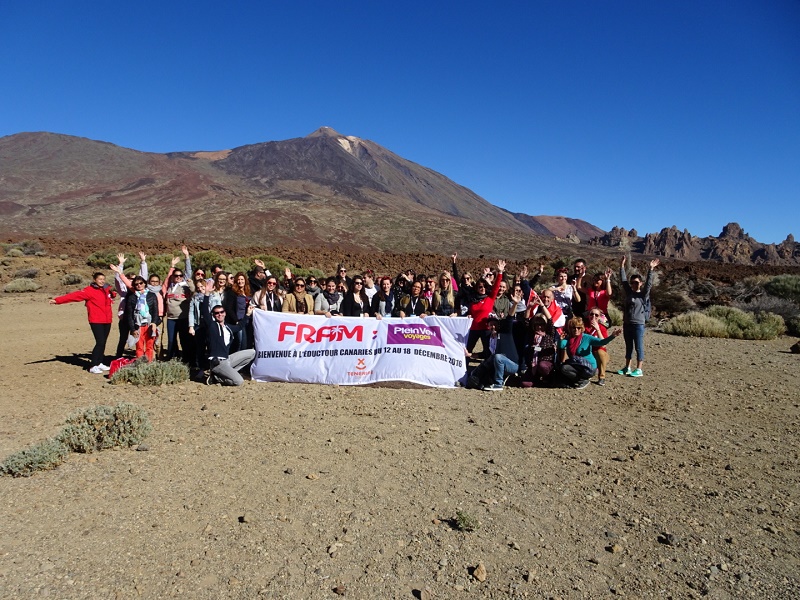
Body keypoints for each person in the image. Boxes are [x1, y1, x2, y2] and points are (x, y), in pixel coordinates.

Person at [49, 271, 117, 373]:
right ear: (95, 280)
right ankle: (93, 366)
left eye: (103, 279)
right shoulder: (89, 291)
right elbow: (74, 296)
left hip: (107, 320)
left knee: (103, 342)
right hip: (96, 320)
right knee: (100, 342)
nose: (102, 281)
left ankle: (99, 363)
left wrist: (112, 293)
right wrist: (57, 300)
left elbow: (113, 295)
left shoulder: (106, 289)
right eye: (100, 279)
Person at [617, 257, 659, 377]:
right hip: (627, 323)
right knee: (628, 346)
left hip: (638, 324)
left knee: (638, 346)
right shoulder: (629, 292)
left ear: (640, 283)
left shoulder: (643, 295)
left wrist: (651, 269)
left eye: (636, 282)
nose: (634, 284)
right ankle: (627, 367)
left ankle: (639, 369)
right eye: (633, 282)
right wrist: (621, 266)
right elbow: (623, 280)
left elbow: (649, 284)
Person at [201, 296, 255, 386]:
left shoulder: (228, 327)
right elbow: (205, 312)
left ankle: (223, 374)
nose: (219, 314)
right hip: (218, 363)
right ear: (214, 315)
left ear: (225, 313)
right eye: (217, 313)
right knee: (239, 381)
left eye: (221, 312)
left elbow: (239, 327)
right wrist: (206, 295)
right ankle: (217, 378)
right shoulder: (212, 326)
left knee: (252, 352)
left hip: (228, 359)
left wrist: (247, 314)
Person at [558, 317, 621, 389]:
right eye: (573, 328)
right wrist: (561, 340)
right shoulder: (569, 339)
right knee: (564, 368)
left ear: (582, 328)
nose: (576, 330)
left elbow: (601, 342)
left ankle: (582, 381)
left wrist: (612, 336)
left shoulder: (587, 338)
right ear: (570, 329)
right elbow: (561, 346)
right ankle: (579, 380)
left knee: (566, 369)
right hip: (577, 365)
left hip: (589, 367)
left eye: (578, 328)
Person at [467, 315, 521, 391]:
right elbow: (485, 354)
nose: (493, 327)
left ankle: (498, 384)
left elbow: (509, 319)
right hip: (496, 365)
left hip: (512, 365)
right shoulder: (488, 339)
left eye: (495, 324)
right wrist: (469, 355)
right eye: (491, 325)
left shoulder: (505, 334)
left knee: (497, 357)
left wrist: (515, 304)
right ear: (488, 327)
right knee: (485, 364)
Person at [466, 260, 505, 358]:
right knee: (467, 348)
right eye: (480, 287)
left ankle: (487, 369)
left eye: (484, 287)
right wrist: (469, 314)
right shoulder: (473, 300)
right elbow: (471, 312)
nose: (482, 288)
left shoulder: (490, 298)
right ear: (476, 288)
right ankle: (464, 368)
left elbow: (496, 287)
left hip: (486, 329)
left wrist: (500, 273)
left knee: (488, 351)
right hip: (473, 329)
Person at [162, 255, 193, 361]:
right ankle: (172, 358)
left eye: (180, 275)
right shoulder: (169, 287)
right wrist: (172, 266)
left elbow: (189, 273)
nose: (178, 277)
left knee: (184, 340)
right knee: (171, 340)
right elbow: (167, 279)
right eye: (176, 276)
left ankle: (186, 359)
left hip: (183, 318)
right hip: (171, 318)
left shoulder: (186, 286)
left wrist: (187, 257)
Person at [124, 276, 161, 362]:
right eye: (136, 284)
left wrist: (154, 323)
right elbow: (130, 315)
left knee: (150, 346)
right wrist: (133, 329)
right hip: (138, 325)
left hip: (149, 325)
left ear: (145, 284)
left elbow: (155, 311)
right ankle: (140, 364)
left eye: (141, 283)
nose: (139, 285)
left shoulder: (152, 296)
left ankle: (149, 364)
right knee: (139, 347)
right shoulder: (132, 298)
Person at [520, 316, 557, 388]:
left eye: (542, 325)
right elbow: (526, 321)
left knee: (542, 366)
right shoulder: (532, 335)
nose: (539, 327)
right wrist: (529, 307)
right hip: (534, 365)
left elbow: (550, 321)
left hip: (545, 363)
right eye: (537, 325)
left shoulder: (549, 335)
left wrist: (542, 306)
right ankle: (537, 380)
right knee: (525, 383)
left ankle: (548, 378)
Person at [584, 308, 611, 385]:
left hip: (598, 353)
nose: (593, 316)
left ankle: (602, 377)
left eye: (596, 315)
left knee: (600, 353)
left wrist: (598, 329)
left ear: (599, 317)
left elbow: (604, 344)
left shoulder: (602, 328)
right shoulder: (584, 327)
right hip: (587, 353)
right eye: (591, 314)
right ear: (588, 316)